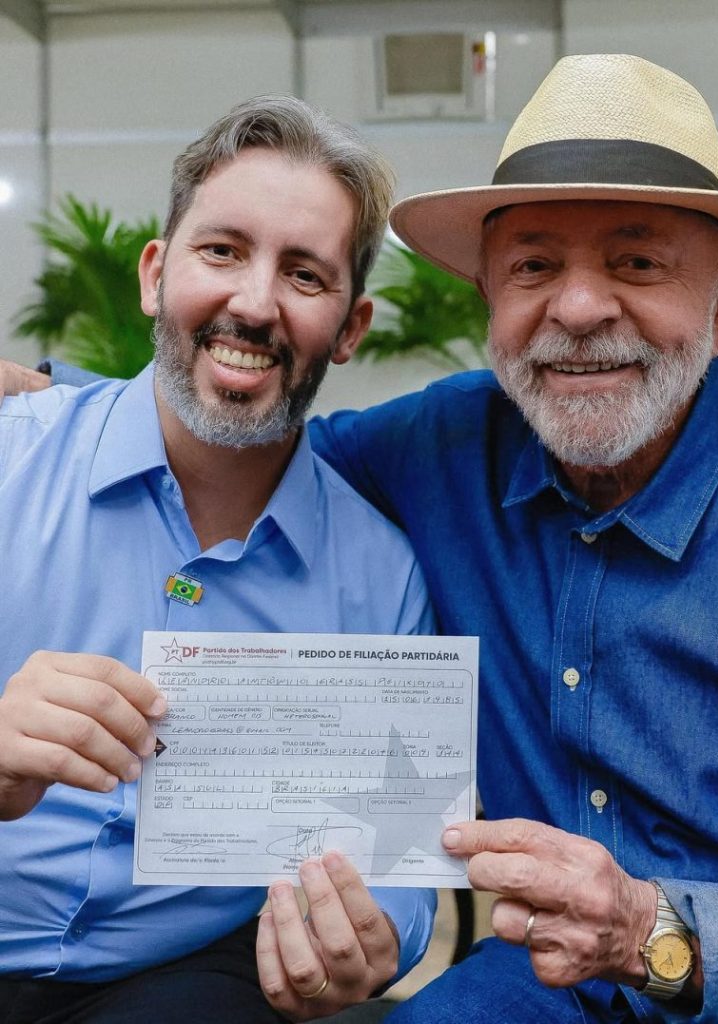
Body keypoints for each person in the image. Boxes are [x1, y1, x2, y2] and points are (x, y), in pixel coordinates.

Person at [5, 53, 718, 1023]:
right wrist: (62, 415)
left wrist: (658, 934)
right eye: (533, 267)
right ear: (490, 300)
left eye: (637, 263)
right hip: (533, 989)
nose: (577, 308)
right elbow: (235, 432)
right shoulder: (441, 449)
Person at [0, 96, 436, 1024]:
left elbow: (399, 858)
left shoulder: (382, 576)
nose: (254, 302)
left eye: (305, 275)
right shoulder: (10, 461)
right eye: (223, 251)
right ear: (156, 274)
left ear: (351, 329)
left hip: (175, 978)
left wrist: (373, 936)